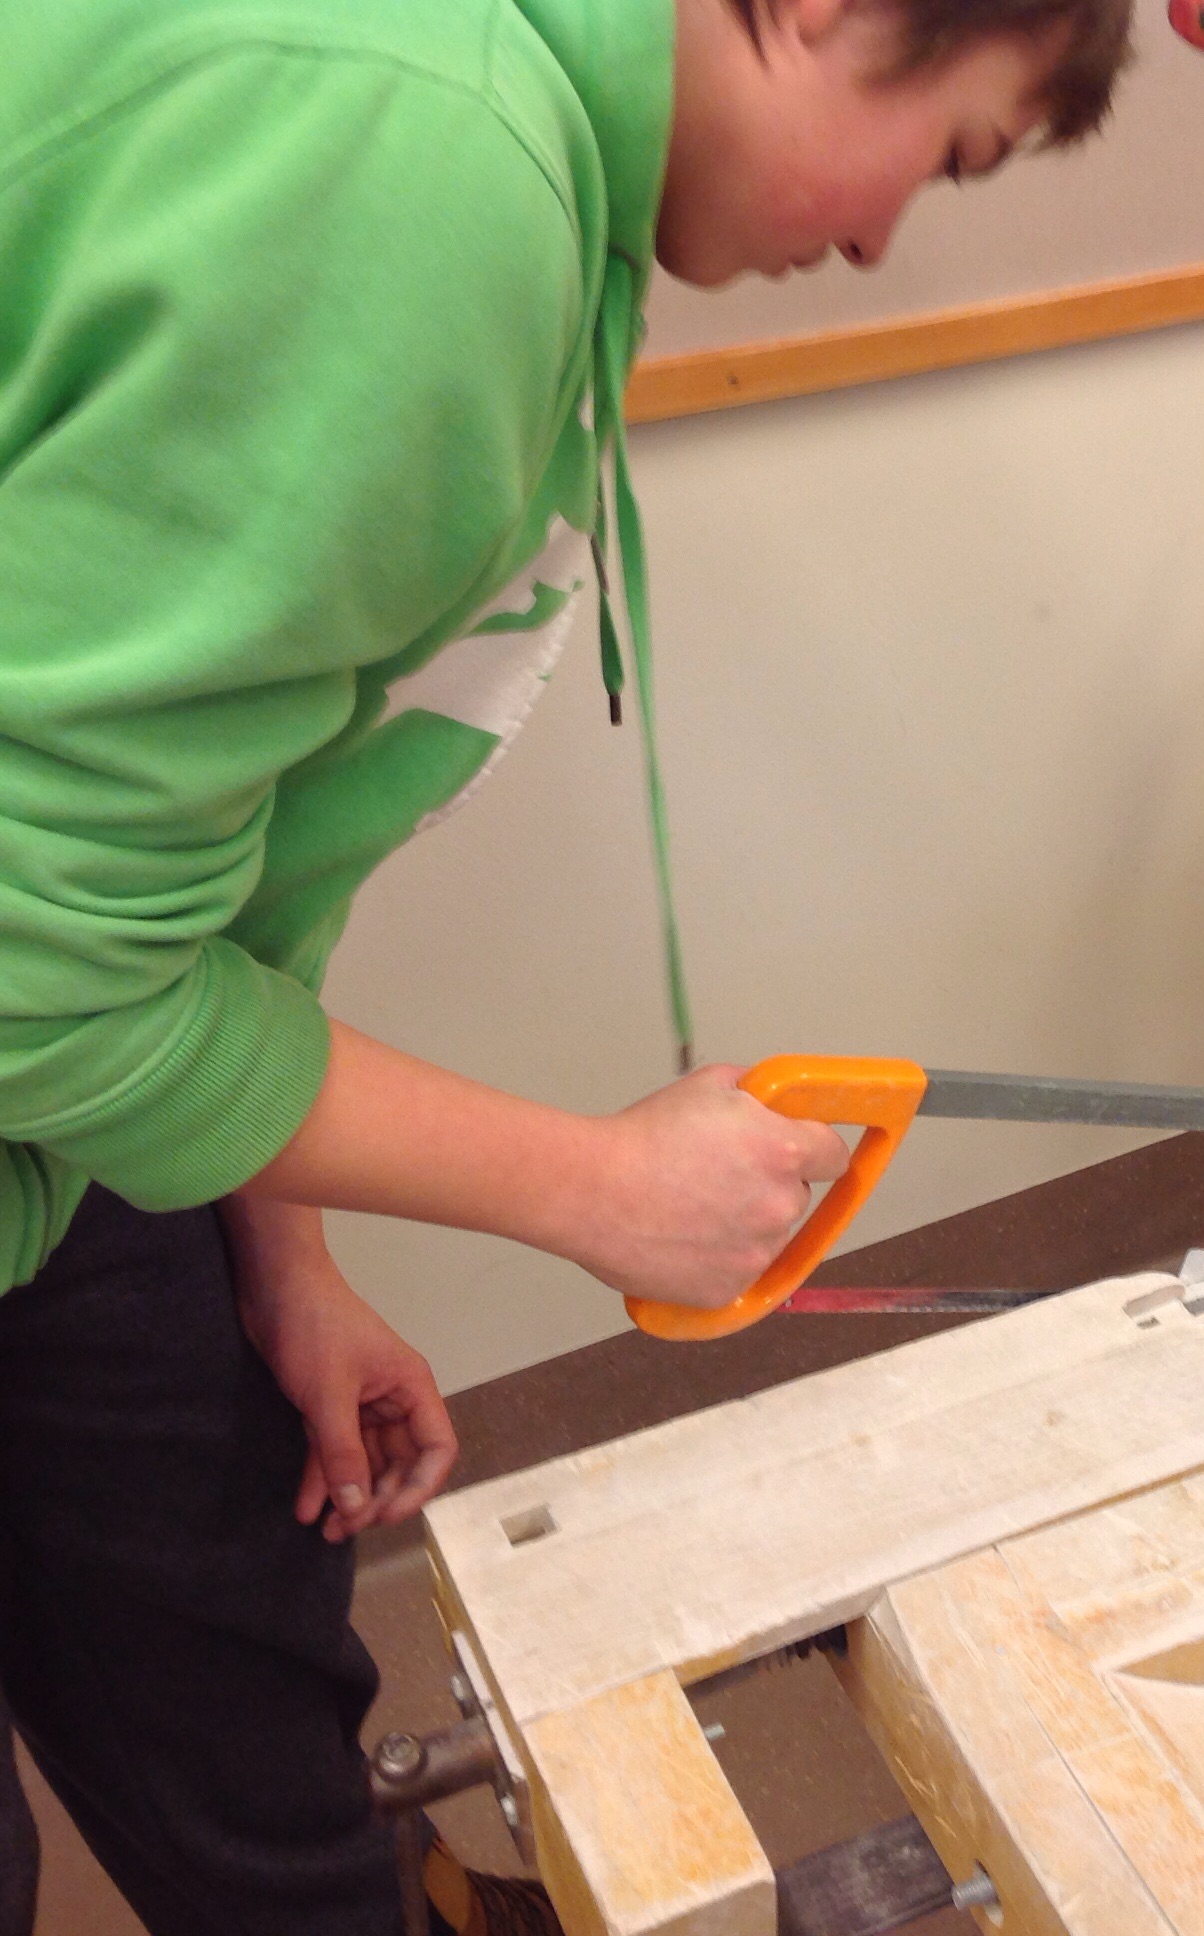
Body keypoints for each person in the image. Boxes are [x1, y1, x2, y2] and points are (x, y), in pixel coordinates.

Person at [0, 0, 1131, 1927]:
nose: (879, 243)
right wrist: (596, 1189)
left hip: (56, 1109)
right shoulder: (425, 160)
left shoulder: (504, 144)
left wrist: (283, 1246)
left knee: (229, 1606)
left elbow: (194, 810)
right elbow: (40, 962)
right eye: (945, 154)